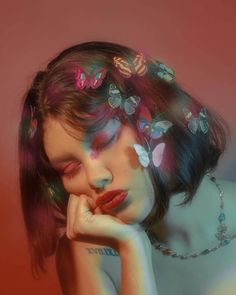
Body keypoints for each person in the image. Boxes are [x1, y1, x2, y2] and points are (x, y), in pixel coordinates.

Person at [18, 41, 236, 295]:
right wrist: (132, 248)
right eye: (70, 168)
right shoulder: (87, 253)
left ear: (158, 117)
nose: (96, 177)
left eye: (106, 141)